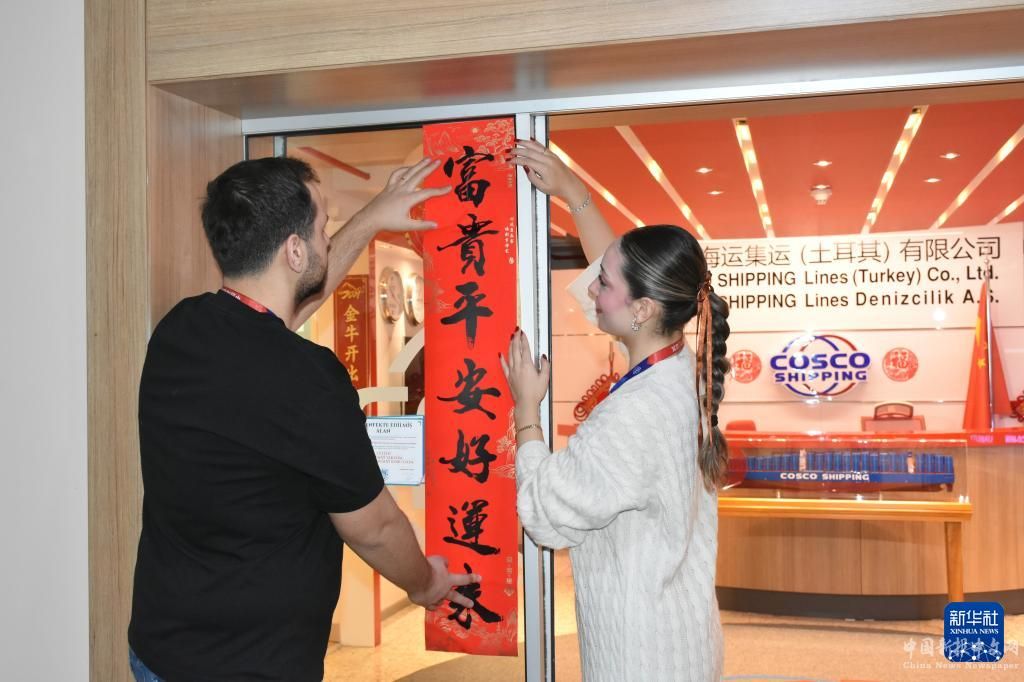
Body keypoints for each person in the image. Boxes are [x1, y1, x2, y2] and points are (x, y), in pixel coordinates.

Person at [128, 156, 480, 682]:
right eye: (321, 229)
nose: (327, 240)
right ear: (295, 250)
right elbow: (376, 527)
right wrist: (426, 584)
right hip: (251, 666)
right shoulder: (310, 379)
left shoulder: (179, 329)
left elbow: (278, 317)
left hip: (159, 650)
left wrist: (372, 216)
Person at [501, 140, 731, 681]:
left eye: (603, 284)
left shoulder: (636, 412)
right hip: (680, 634)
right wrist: (574, 194)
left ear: (644, 309)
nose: (592, 291)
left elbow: (546, 512)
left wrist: (527, 410)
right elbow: (618, 278)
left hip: (640, 654)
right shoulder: (682, 368)